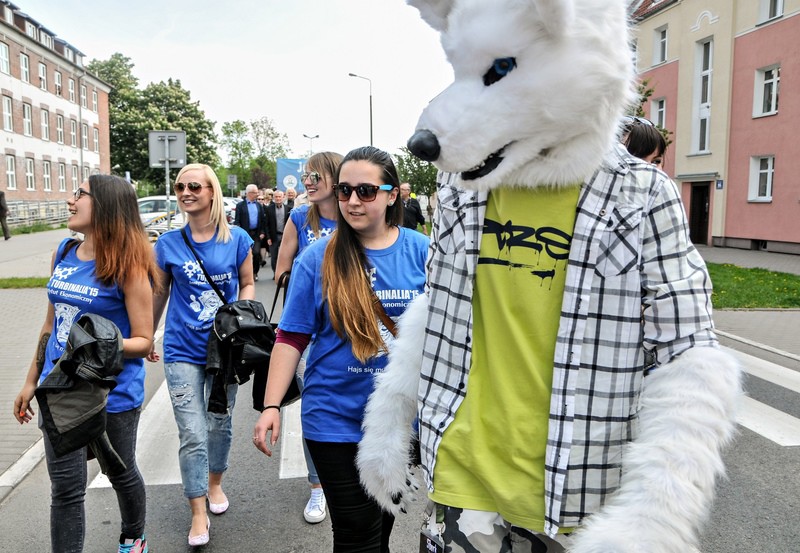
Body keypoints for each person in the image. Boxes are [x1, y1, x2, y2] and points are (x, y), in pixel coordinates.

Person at [253, 146, 429, 552]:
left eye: (366, 190)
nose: (352, 200)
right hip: (333, 419)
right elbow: (291, 336)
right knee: (356, 533)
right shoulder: (317, 258)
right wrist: (271, 406)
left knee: (380, 528)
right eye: (345, 190)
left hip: (400, 421)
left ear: (391, 195)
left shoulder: (423, 252)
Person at [13, 174, 158, 553]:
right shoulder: (63, 251)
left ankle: (133, 536)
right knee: (65, 490)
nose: (70, 200)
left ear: (106, 205)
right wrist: (31, 381)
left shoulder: (128, 266)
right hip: (58, 390)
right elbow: (51, 324)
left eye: (80, 194)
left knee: (120, 472)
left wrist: (92, 346)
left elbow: (143, 340)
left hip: (112, 393)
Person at [148, 163, 255, 547]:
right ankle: (196, 513)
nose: (185, 191)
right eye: (180, 186)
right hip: (180, 349)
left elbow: (246, 283)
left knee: (218, 424)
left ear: (212, 192)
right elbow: (160, 293)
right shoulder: (167, 244)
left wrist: (242, 319)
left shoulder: (238, 239)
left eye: (194, 185)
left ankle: (215, 484)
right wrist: (147, 335)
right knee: (192, 433)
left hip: (224, 350)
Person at [273, 151, 343, 524]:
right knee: (313, 405)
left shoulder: (354, 215)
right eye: (306, 176)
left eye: (316, 175)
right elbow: (282, 272)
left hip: (350, 329)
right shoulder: (300, 218)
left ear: (335, 178)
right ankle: (318, 488)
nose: (308, 182)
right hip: (311, 329)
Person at [234, 184, 267, 281]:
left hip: (256, 234)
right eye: (255, 192)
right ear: (249, 193)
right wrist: (239, 232)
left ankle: (255, 272)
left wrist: (262, 232)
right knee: (244, 254)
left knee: (256, 253)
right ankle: (244, 274)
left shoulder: (259, 206)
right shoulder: (240, 206)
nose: (257, 194)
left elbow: (263, 221)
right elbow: (237, 221)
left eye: (257, 192)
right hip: (245, 234)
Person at [266, 189, 291, 276]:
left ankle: (284, 272)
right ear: (273, 198)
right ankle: (275, 273)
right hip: (274, 236)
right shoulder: (269, 209)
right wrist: (268, 237)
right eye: (276, 197)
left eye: (279, 197)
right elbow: (266, 224)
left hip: (285, 235)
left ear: (283, 197)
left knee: (285, 255)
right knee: (274, 256)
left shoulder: (288, 209)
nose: (278, 198)